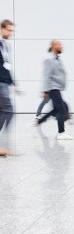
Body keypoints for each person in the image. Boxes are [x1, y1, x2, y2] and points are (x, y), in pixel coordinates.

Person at [33, 40, 73, 140]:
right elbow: (46, 75)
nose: (61, 46)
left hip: (56, 88)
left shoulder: (56, 59)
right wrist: (45, 91)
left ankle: (39, 122)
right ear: (53, 46)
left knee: (56, 109)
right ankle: (61, 133)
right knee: (61, 109)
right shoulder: (50, 59)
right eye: (59, 44)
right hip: (53, 88)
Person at [0, 20, 14, 156]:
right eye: (9, 30)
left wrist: (13, 82)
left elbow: (6, 64)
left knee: (2, 111)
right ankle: (3, 144)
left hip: (4, 82)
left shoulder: (6, 46)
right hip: (0, 83)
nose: (10, 33)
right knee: (9, 111)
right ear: (1, 29)